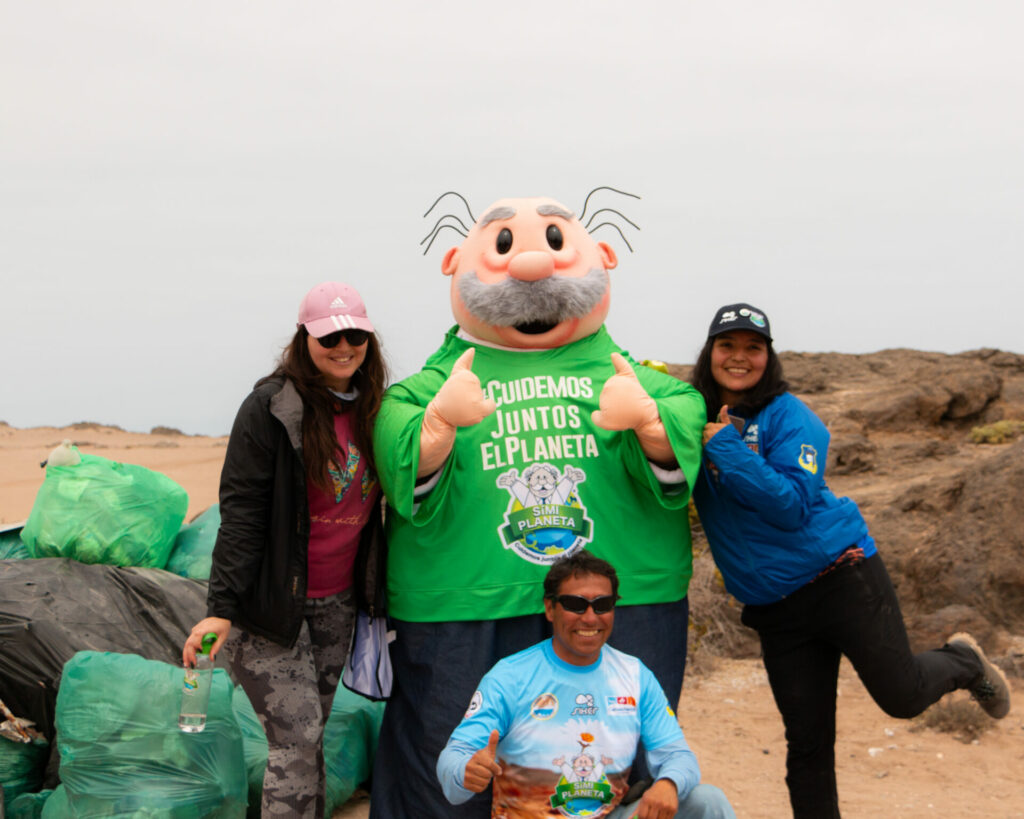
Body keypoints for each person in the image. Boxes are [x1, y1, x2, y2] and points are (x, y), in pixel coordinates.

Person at [371, 196, 706, 817]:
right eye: (503, 247)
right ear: (455, 264)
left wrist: (653, 423)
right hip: (463, 608)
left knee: (604, 769)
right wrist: (437, 426)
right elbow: (395, 436)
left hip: (612, 602)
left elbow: (685, 411)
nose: (528, 263)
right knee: (454, 765)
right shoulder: (430, 387)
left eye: (553, 240)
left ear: (601, 258)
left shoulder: (629, 376)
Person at [689, 302, 1012, 818]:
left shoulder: (791, 417)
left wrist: (727, 449)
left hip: (840, 578)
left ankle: (963, 661)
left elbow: (790, 507)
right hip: (776, 609)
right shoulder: (691, 416)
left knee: (901, 697)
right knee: (808, 745)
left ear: (768, 357)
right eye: (728, 346)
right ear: (710, 353)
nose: (739, 358)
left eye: (754, 348)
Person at [182, 282, 388, 818]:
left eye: (355, 335)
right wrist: (220, 611)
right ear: (304, 338)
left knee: (309, 739)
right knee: (295, 741)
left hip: (335, 604)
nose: (344, 347)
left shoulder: (374, 409)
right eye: (329, 337)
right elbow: (242, 513)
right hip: (268, 607)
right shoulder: (271, 407)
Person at [437, 551, 735, 819]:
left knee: (707, 801)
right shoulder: (509, 676)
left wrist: (669, 784)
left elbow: (678, 756)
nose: (590, 617)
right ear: (550, 609)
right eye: (575, 605)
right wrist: (465, 772)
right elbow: (455, 759)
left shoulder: (635, 675)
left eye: (602, 604)